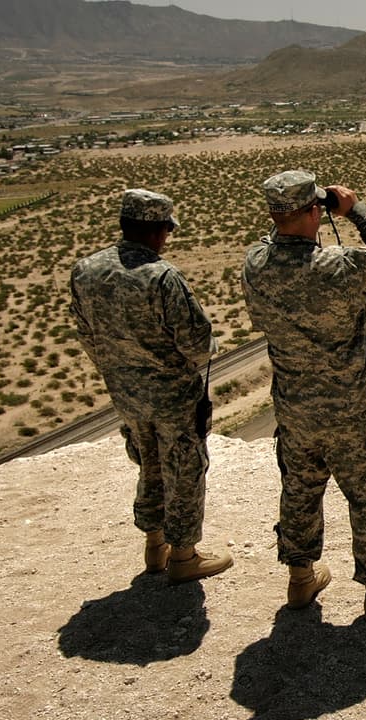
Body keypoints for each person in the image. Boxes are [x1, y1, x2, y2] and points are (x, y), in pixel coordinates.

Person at [242, 170, 366, 621]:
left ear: (273, 214)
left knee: (300, 491)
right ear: (314, 213)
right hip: (352, 410)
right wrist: (355, 210)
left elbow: (279, 241)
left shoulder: (256, 264)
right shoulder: (337, 266)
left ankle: (301, 580)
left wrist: (297, 212)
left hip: (295, 407)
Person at [70, 188, 233, 583]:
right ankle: (184, 554)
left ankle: (154, 543)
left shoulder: (86, 269)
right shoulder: (162, 276)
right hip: (172, 396)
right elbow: (197, 346)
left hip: (125, 393)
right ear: (159, 231)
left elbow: (86, 334)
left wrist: (119, 369)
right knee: (185, 469)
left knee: (149, 463)